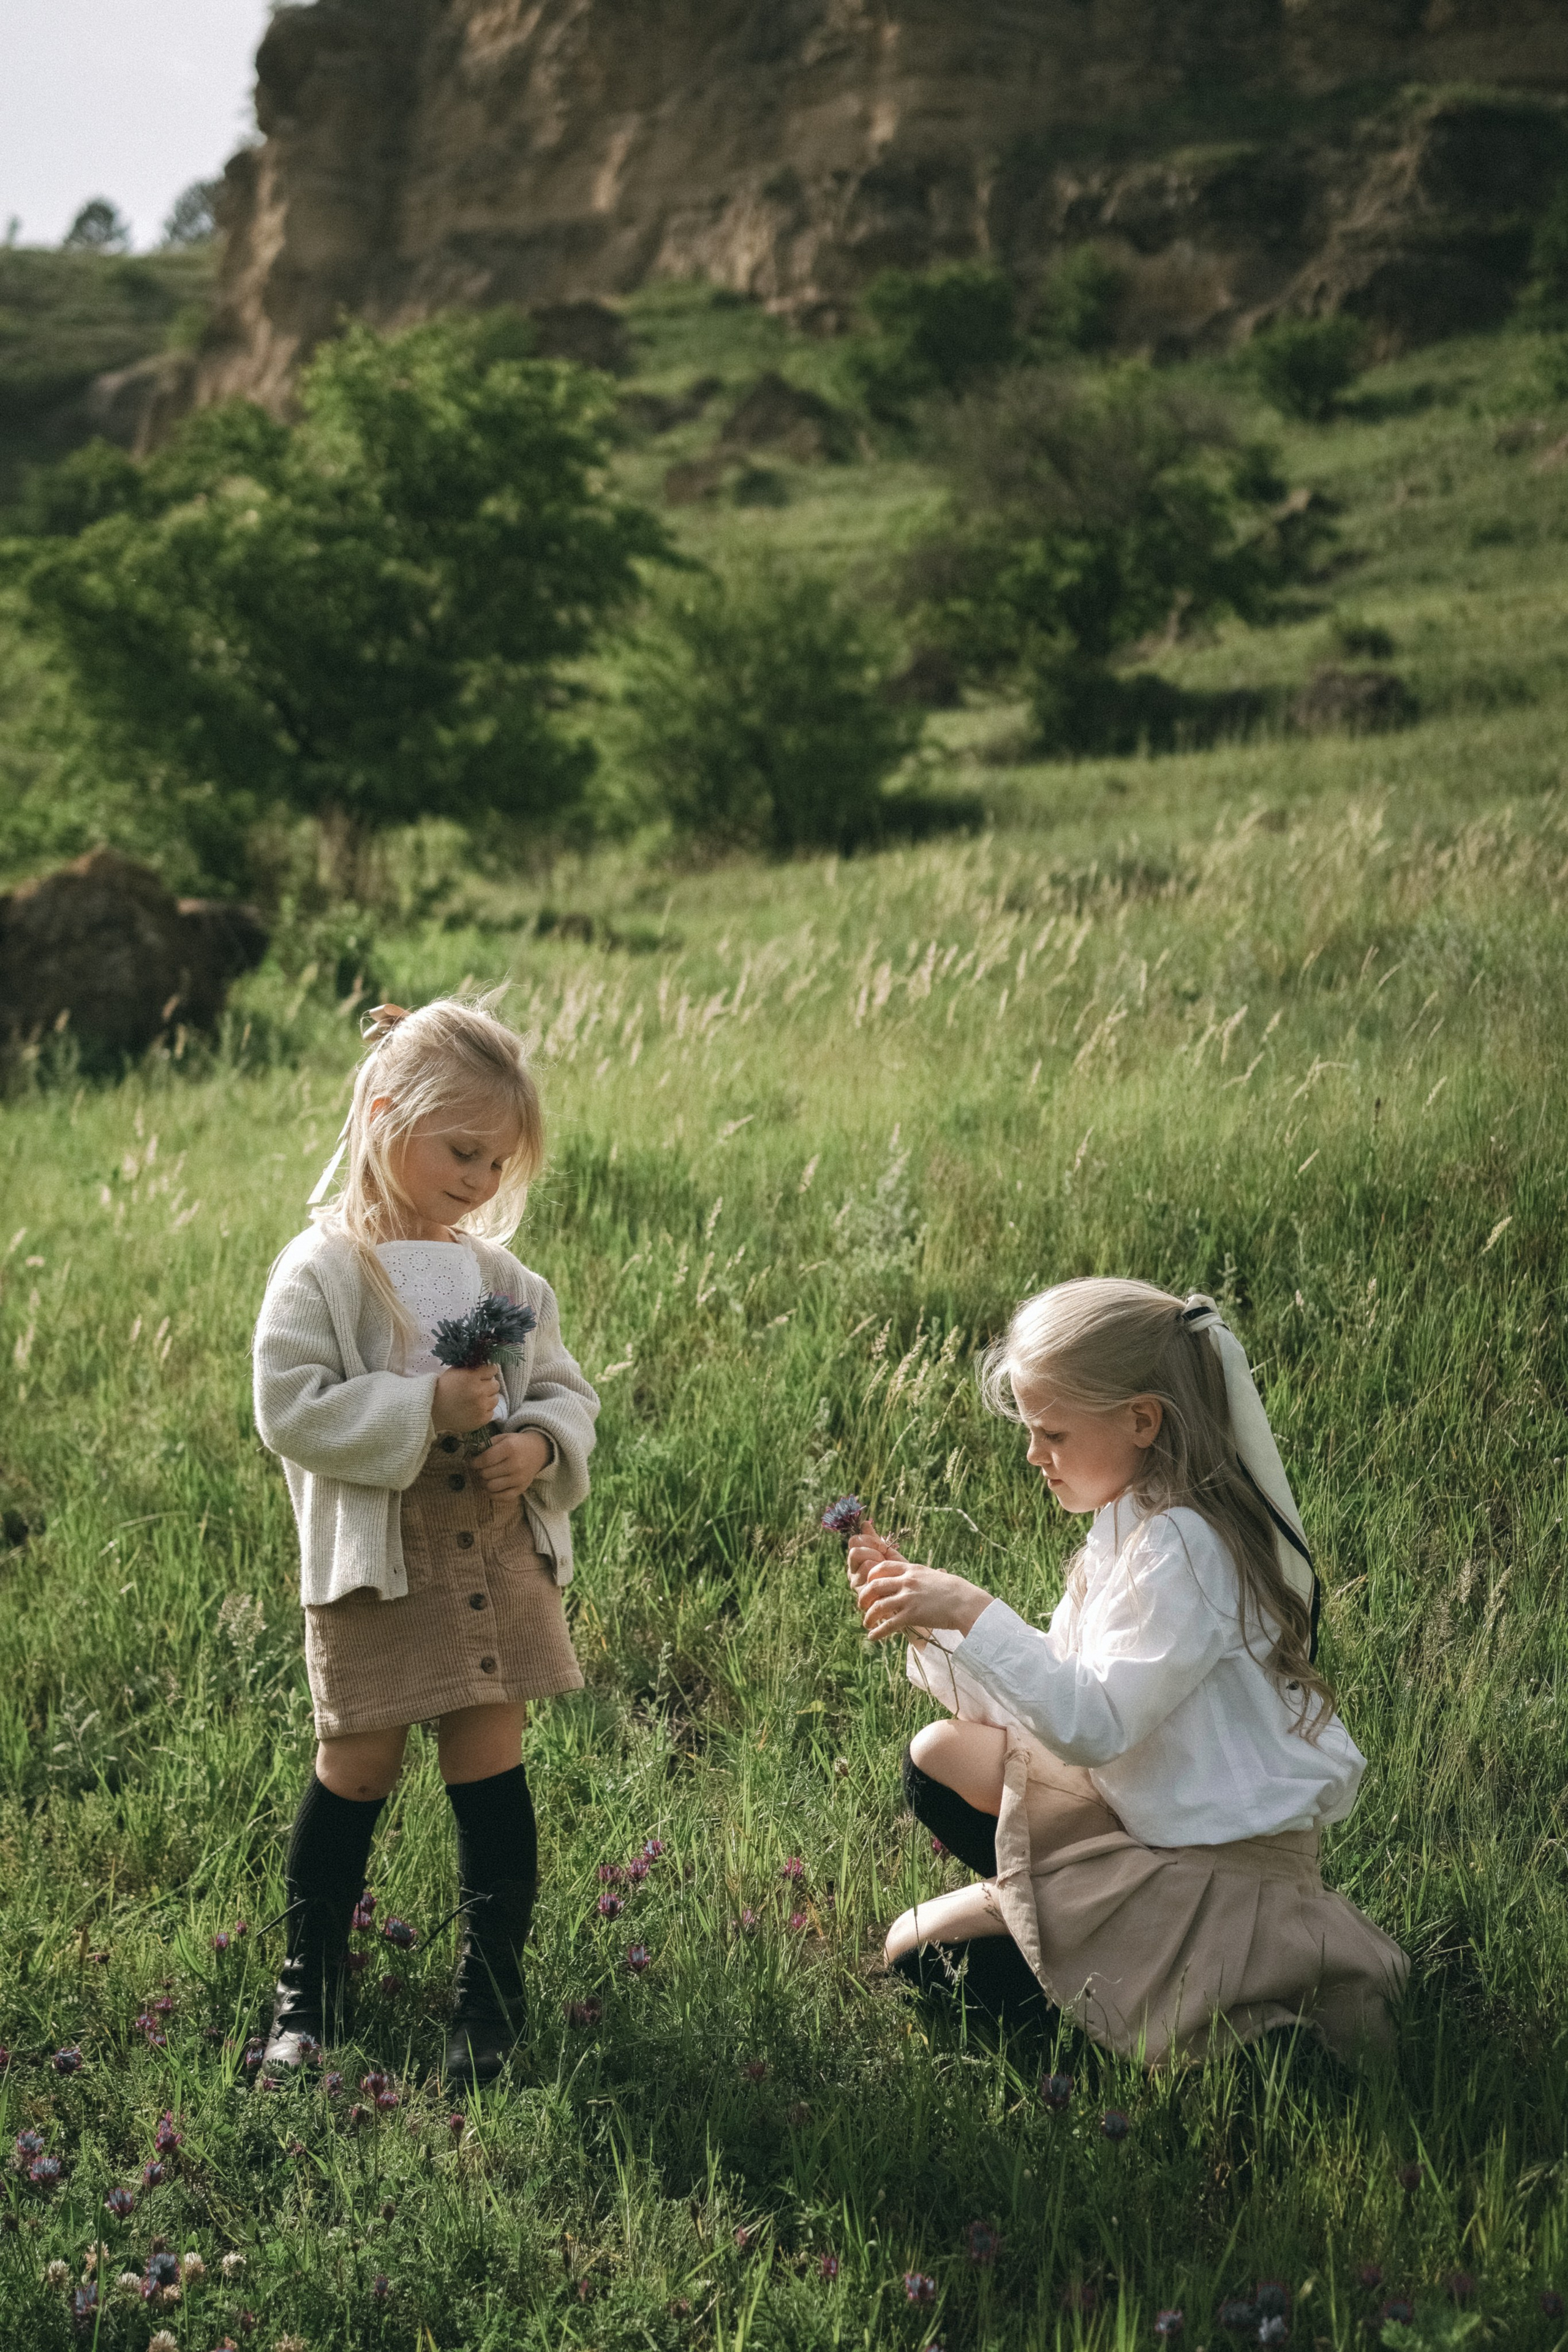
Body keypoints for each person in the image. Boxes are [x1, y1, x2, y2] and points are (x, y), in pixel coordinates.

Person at [848, 1277, 1406, 2065]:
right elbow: (1041, 1706)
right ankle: (1099, 1965)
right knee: (924, 1852)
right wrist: (934, 1617)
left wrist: (974, 1610)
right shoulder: (1128, 1524)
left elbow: (1091, 1726)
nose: (1034, 1456)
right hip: (1138, 1833)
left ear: (1142, 1421)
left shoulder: (1186, 1546)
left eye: (1053, 1434)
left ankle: (1248, 2033)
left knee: (931, 1944)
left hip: (1224, 1874)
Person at [252, 995, 598, 2088]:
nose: (480, 1180)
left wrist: (538, 1446)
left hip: (494, 1556)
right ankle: (311, 1993)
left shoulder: (508, 1285)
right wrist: (421, 1414)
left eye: (498, 1163)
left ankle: (488, 2002)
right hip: (377, 1567)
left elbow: (567, 1394)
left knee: (491, 1764)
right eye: (462, 1151)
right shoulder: (322, 1271)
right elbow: (290, 1407)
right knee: (357, 1764)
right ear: (384, 1112)